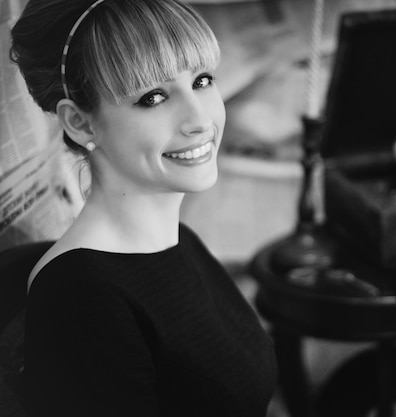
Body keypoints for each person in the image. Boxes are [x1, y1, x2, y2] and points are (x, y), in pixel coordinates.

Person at [10, 0, 277, 416]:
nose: (199, 119)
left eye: (203, 80)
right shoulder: (82, 299)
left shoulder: (180, 241)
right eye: (153, 97)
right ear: (80, 123)